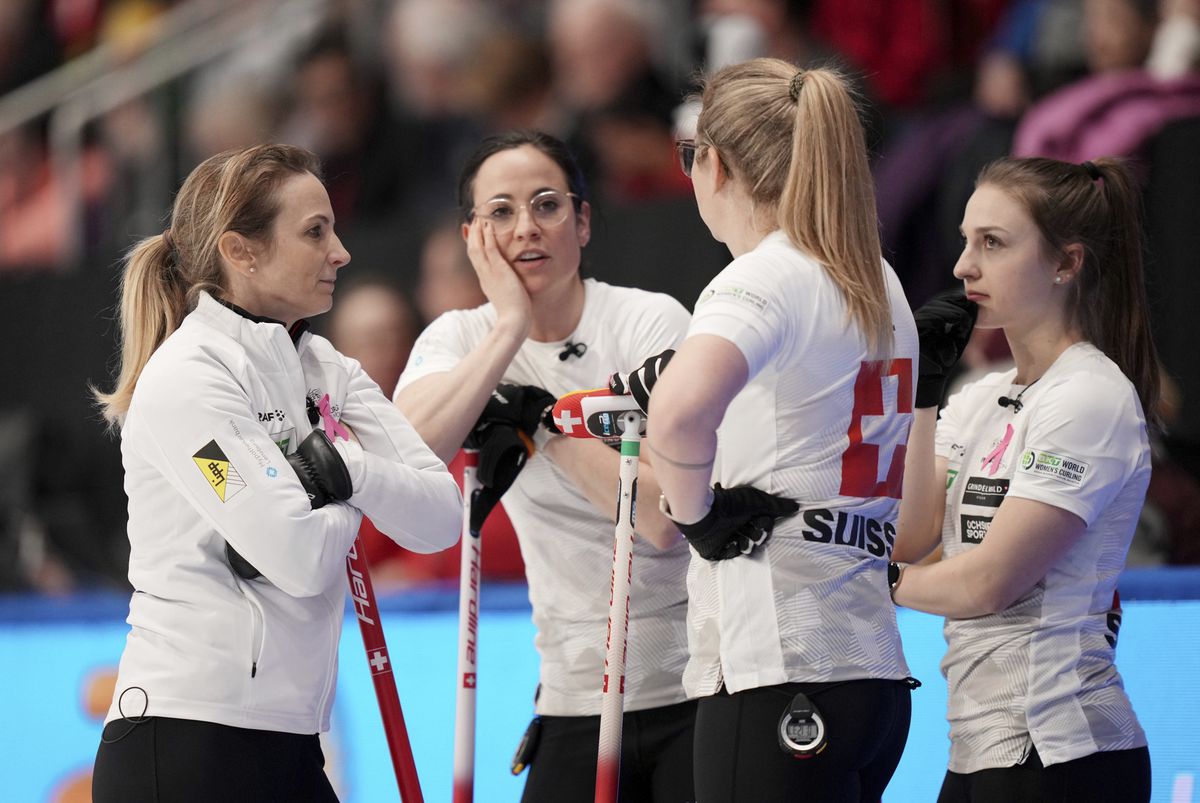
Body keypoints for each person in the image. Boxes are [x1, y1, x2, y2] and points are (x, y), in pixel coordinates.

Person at [89, 143, 462, 802]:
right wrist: (345, 490)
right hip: (184, 741)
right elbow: (299, 557)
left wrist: (344, 469)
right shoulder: (187, 380)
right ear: (242, 251)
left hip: (289, 740)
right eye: (315, 231)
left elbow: (439, 518)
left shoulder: (326, 368)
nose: (340, 250)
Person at [625, 60, 919, 801]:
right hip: (870, 671)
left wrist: (698, 513)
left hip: (777, 667)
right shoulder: (877, 277)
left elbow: (680, 413)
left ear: (712, 163)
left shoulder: (760, 276)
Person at [393, 130, 696, 802]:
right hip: (570, 691)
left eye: (547, 205)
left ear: (582, 221)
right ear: (473, 237)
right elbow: (406, 457)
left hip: (692, 686)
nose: (525, 228)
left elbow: (660, 518)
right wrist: (508, 327)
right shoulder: (461, 338)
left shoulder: (651, 323)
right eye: (500, 212)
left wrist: (542, 422)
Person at [892, 156, 1158, 802]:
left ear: (1066, 263)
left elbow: (988, 581)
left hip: (1062, 752)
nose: (963, 267)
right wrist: (923, 392)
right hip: (980, 746)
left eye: (992, 243)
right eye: (964, 240)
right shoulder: (982, 396)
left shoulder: (1090, 396)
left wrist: (873, 581)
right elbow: (908, 534)